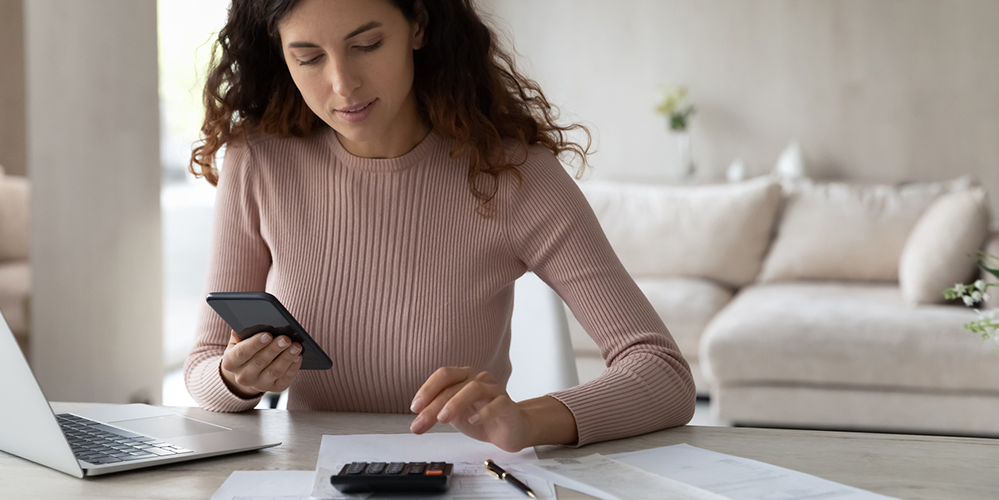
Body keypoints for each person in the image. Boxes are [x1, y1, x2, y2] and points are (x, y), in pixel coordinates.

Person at [184, 0, 695, 452]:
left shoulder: (514, 176)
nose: (343, 84)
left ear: (419, 26)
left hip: (458, 478)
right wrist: (237, 379)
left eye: (366, 44)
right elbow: (203, 368)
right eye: (309, 57)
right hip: (309, 474)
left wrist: (529, 420)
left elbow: (663, 373)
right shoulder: (259, 162)